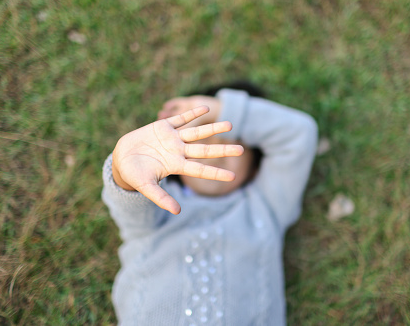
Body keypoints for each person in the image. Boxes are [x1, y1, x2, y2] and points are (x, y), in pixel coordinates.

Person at [102, 83, 318, 325]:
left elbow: (299, 134)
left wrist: (218, 110)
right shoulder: (156, 203)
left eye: (230, 140)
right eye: (202, 137)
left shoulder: (266, 205)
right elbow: (128, 200)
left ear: (256, 163)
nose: (213, 149)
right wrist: (126, 171)